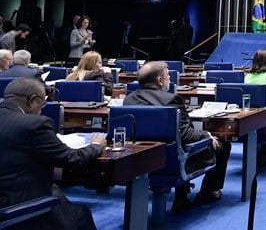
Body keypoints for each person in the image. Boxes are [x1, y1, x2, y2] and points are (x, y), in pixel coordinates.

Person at [0, 77, 107, 230]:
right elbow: (70, 158)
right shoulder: (34, 124)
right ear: (31, 100)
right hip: (16, 204)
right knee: (81, 214)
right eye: (41, 104)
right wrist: (96, 146)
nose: (41, 110)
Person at [124, 61, 230, 211]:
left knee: (175, 143)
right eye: (168, 76)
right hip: (171, 162)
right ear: (160, 80)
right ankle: (207, 192)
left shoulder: (128, 100)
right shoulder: (171, 100)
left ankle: (183, 196)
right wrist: (207, 134)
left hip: (138, 161)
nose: (170, 79)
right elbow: (187, 135)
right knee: (222, 145)